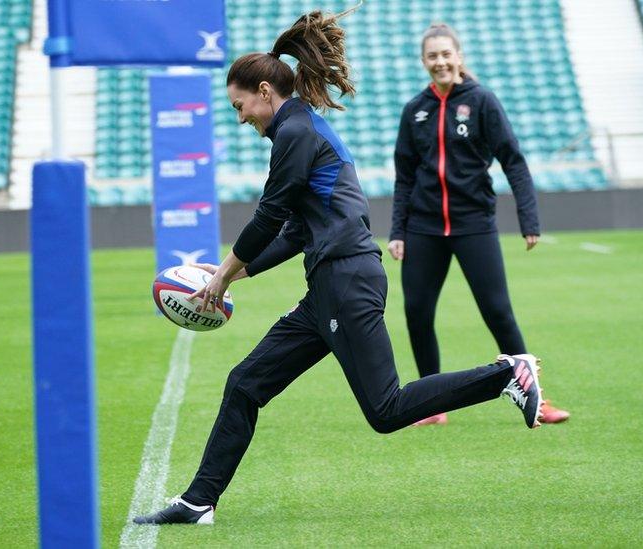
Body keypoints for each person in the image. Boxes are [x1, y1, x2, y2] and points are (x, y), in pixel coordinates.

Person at [132, 7, 549, 525]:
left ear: (265, 92)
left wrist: (221, 272)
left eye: (240, 106)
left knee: (386, 410)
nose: (240, 117)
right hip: (329, 284)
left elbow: (269, 216)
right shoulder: (299, 127)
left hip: (346, 280)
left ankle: (509, 372)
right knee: (245, 383)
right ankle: (199, 501)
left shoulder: (295, 134)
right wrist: (235, 273)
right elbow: (295, 232)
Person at [388, 23, 568, 426]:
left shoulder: (482, 100)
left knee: (498, 312)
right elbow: (404, 174)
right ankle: (430, 405)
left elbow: (513, 160)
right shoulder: (414, 110)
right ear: (424, 62)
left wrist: (529, 218)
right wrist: (398, 230)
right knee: (417, 312)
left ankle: (536, 399)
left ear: (459, 56)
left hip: (474, 224)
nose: (440, 62)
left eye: (445, 54)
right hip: (424, 227)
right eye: (432, 56)